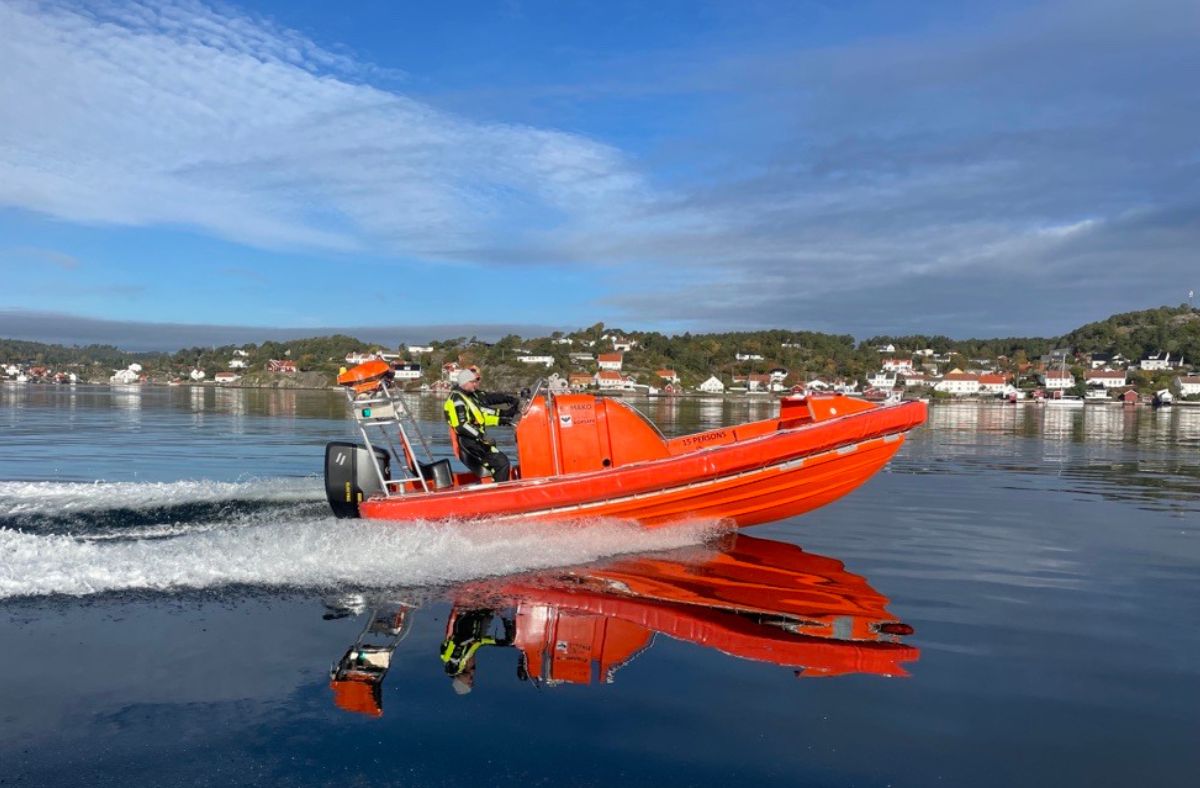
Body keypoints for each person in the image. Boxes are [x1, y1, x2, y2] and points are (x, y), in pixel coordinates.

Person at [443, 368, 518, 482]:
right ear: (466, 382)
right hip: (470, 443)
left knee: (502, 461)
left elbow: (481, 418)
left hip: (475, 441)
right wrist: (481, 436)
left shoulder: (468, 396)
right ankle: (498, 493)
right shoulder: (457, 400)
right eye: (473, 382)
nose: (476, 384)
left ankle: (498, 486)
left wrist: (503, 420)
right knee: (501, 463)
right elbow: (461, 426)